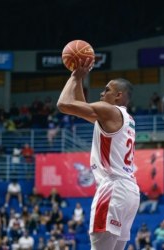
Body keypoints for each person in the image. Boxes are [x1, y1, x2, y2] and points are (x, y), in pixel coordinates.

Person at [56, 58, 140, 250]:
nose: (102, 93)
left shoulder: (108, 111)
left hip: (113, 188)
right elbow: (79, 105)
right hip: (130, 192)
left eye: (107, 90)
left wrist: (74, 75)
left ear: (118, 95)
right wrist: (80, 80)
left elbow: (64, 104)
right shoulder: (125, 118)